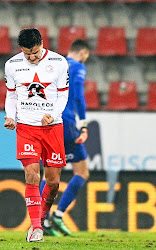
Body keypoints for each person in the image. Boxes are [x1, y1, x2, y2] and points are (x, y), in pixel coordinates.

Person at [4, 28, 69, 242]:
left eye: (35, 52)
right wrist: (10, 116)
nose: (32, 58)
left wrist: (53, 114)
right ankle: (36, 228)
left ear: (42, 43)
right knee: (32, 175)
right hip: (26, 127)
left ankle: (40, 219)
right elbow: (11, 95)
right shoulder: (12, 65)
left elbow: (63, 95)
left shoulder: (59, 62)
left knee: (53, 184)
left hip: (53, 127)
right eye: (27, 54)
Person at [40, 39, 90, 236]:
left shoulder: (53, 65)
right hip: (67, 123)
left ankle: (41, 220)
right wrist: (83, 125)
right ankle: (58, 215)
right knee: (82, 172)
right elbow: (78, 95)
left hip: (49, 124)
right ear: (83, 52)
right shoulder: (77, 67)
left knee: (49, 176)